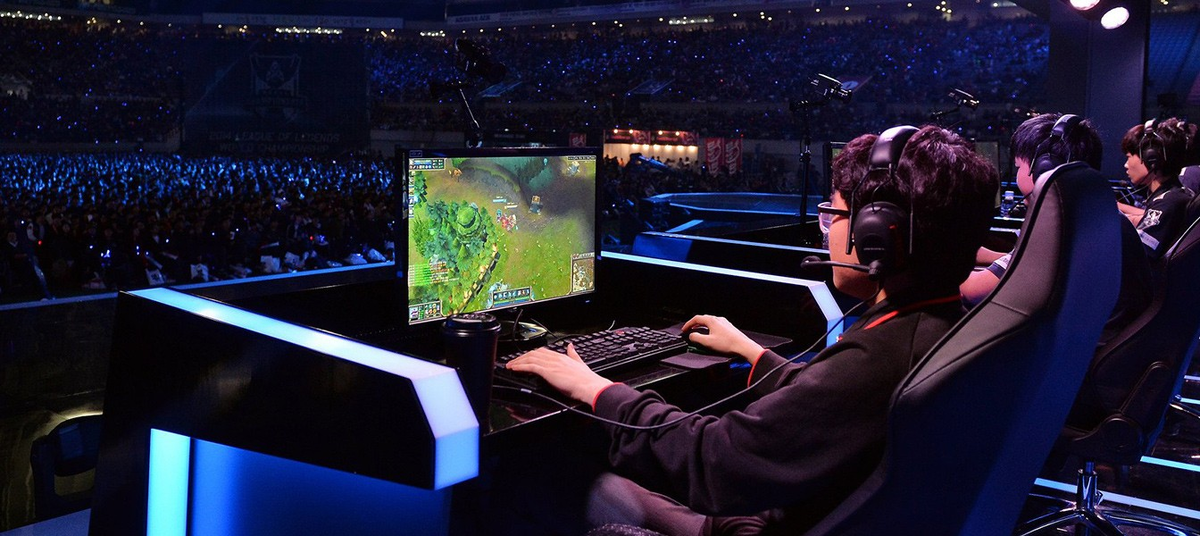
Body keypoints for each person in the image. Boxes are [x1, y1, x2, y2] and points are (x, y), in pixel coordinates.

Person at [506, 125, 998, 535]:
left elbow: (712, 463)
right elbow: (829, 404)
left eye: (833, 213)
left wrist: (597, 389)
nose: (826, 229)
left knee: (541, 473)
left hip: (761, 517)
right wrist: (753, 353)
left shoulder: (878, 357)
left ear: (878, 235)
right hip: (802, 512)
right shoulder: (939, 324)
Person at [1116, 117, 1196, 259]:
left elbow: (1136, 254)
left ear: (1152, 159)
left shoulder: (1168, 202)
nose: (1126, 165)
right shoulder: (1174, 195)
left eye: (1129, 157)